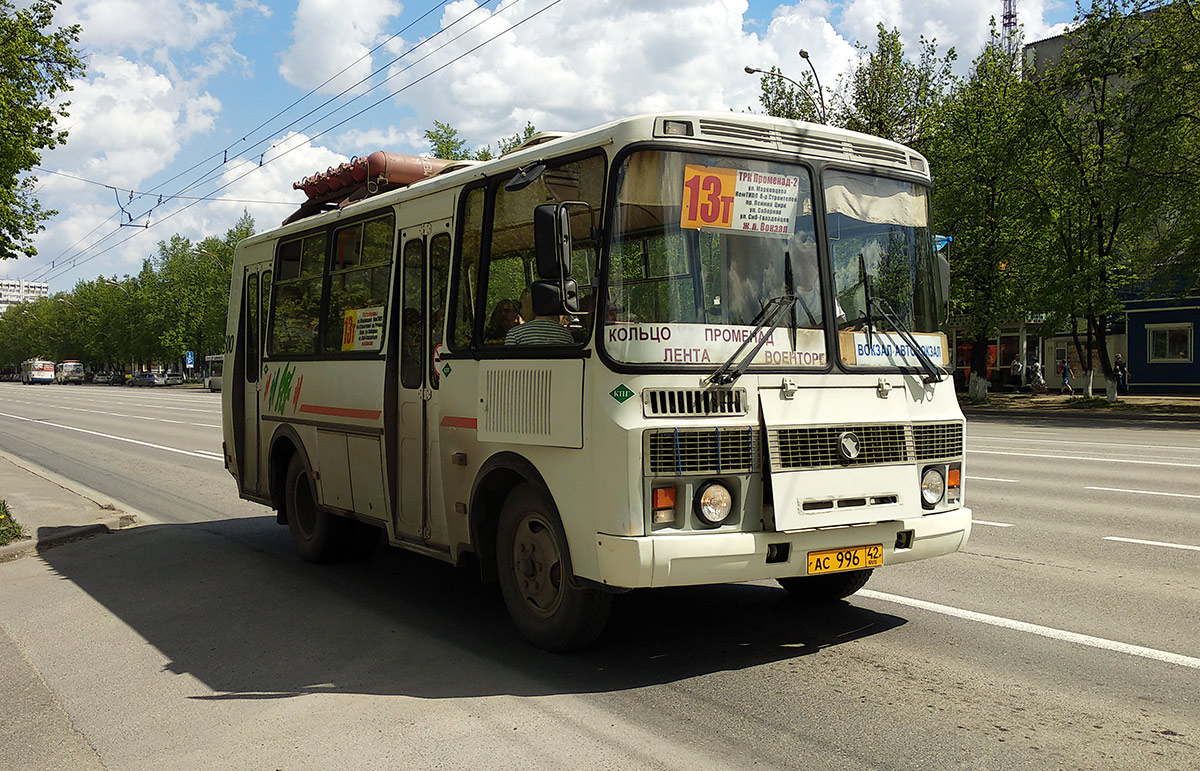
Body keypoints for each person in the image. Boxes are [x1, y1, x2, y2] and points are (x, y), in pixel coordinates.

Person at [505, 287, 574, 346]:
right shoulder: (566, 336)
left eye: (522, 306)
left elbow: (508, 361)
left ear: (528, 306)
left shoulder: (515, 334)